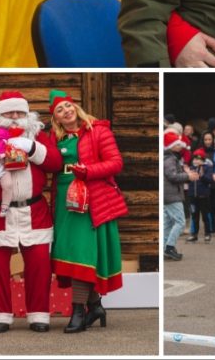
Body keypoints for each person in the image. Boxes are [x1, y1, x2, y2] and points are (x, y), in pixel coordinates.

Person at [0, 91, 62, 333]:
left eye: (20, 112)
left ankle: (38, 314)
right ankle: (0, 315)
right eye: (9, 112)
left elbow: (56, 163)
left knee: (39, 265)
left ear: (28, 115)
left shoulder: (38, 135)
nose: (15, 117)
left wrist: (33, 147)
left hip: (33, 210)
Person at [46, 90, 127, 333]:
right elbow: (48, 163)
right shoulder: (54, 138)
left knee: (81, 253)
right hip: (64, 200)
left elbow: (116, 162)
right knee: (70, 252)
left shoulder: (98, 130)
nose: (66, 111)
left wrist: (88, 171)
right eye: (60, 110)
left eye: (69, 105)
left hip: (90, 198)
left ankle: (78, 311)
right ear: (56, 119)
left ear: (76, 107)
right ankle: (95, 306)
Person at [163, 130, 196, 261]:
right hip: (172, 195)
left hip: (168, 194)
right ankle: (169, 247)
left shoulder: (168, 157)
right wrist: (188, 176)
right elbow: (172, 176)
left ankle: (165, 247)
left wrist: (186, 173)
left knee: (168, 223)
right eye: (177, 144)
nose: (180, 146)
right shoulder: (170, 159)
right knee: (180, 222)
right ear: (171, 145)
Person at [185, 148, 215, 243]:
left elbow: (210, 180)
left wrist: (202, 175)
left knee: (205, 216)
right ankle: (194, 234)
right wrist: (186, 175)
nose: (196, 161)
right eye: (194, 159)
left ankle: (207, 234)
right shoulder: (191, 168)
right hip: (192, 196)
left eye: (198, 159)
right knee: (194, 216)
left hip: (203, 196)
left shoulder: (207, 168)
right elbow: (187, 180)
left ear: (203, 160)